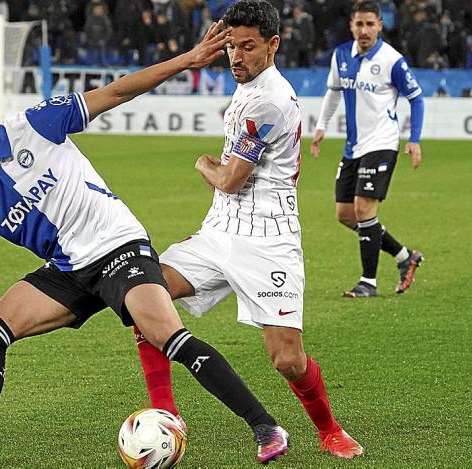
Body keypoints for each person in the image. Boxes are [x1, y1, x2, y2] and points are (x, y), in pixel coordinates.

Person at [0, 22, 289, 468]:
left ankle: (265, 426)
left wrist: (188, 60)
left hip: (118, 246)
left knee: (167, 336)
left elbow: (117, 92)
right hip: (68, 269)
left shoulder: (37, 125)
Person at [132, 0, 364, 460]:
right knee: (143, 296)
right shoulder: (248, 84)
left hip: (269, 240)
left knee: (288, 360)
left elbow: (230, 179)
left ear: (273, 45)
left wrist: (203, 163)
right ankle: (166, 415)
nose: (236, 57)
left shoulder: (269, 100)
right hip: (221, 228)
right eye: (231, 47)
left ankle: (330, 430)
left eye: (248, 47)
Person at [310, 0, 425, 298]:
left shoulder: (392, 60)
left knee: (363, 209)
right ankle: (404, 256)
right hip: (353, 146)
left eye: (370, 24)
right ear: (351, 26)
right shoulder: (341, 56)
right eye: (359, 24)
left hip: (383, 142)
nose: (364, 30)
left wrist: (414, 139)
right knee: (345, 214)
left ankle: (368, 283)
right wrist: (321, 126)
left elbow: (417, 98)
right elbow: (333, 92)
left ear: (379, 26)